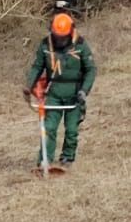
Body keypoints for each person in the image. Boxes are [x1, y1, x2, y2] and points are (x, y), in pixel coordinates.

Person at [22, 11, 96, 170]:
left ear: (70, 32)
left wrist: (84, 90)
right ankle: (44, 161)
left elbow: (91, 70)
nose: (59, 40)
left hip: (74, 94)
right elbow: (37, 67)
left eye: (62, 37)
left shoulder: (81, 45)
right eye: (57, 36)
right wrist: (29, 85)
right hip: (53, 93)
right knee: (48, 128)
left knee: (71, 129)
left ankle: (67, 158)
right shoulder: (45, 45)